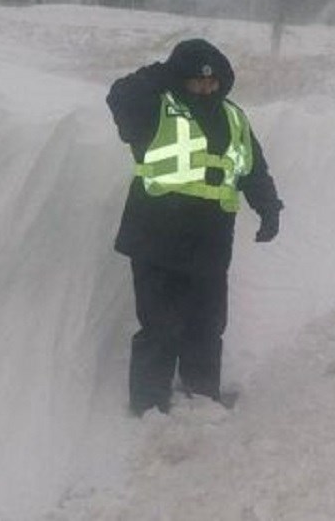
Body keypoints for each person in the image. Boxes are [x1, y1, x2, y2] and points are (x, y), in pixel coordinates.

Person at [106, 39, 283, 415]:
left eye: (212, 81)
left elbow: (253, 169)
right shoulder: (154, 109)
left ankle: (201, 396)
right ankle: (149, 406)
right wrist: (163, 74)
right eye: (196, 80)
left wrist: (269, 208)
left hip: (211, 241)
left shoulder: (234, 118)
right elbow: (120, 96)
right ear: (180, 79)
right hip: (157, 238)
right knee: (159, 325)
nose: (205, 87)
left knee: (207, 323)